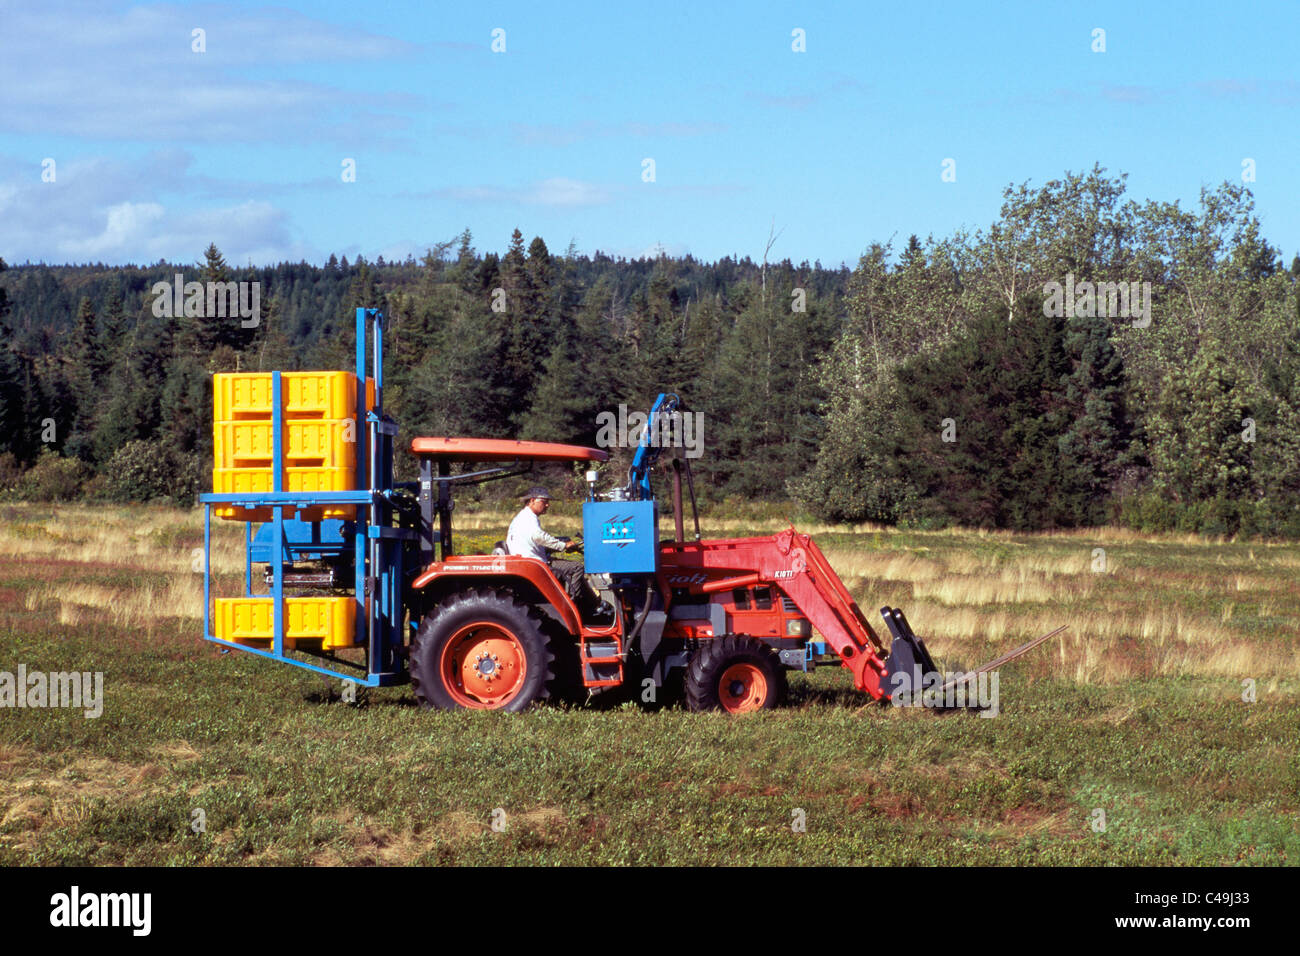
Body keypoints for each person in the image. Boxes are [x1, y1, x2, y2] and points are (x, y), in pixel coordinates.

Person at [506, 487, 611, 622]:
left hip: (532, 562)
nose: (548, 505)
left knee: (569, 566)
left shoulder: (522, 518)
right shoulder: (528, 518)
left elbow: (534, 541)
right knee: (577, 568)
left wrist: (560, 544)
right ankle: (575, 606)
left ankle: (593, 605)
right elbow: (538, 536)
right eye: (544, 501)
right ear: (532, 501)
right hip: (536, 565)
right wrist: (563, 545)